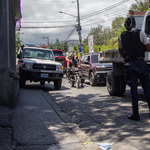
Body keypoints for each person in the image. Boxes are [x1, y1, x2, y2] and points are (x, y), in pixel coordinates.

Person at [118, 16, 150, 121]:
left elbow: (120, 51)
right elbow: (148, 48)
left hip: (129, 64)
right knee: (146, 88)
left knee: (133, 89)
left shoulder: (121, 36)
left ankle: (136, 114)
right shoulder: (140, 33)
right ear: (135, 24)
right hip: (140, 63)